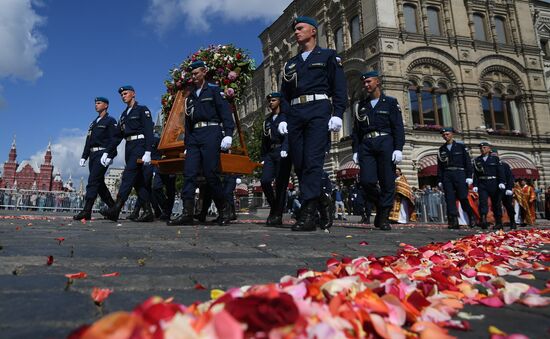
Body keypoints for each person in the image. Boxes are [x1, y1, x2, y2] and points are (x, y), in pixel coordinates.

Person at [279, 16, 347, 231]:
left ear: (313, 31)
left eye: (300, 28)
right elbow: (284, 94)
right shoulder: (291, 63)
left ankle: (308, 213)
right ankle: (323, 201)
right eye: (295, 29)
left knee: (313, 161)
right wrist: (283, 118)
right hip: (296, 112)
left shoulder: (328, 56)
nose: (296, 32)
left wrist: (338, 113)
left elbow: (339, 87)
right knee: (299, 163)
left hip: (318, 110)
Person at [167, 60, 235, 226]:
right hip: (195, 137)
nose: (194, 76)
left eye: (196, 73)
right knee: (189, 174)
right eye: (192, 74)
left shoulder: (213, 91)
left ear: (204, 72)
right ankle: (187, 213)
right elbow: (188, 125)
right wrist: (188, 145)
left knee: (210, 174)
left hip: (211, 133)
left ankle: (224, 210)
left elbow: (225, 113)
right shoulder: (189, 98)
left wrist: (228, 134)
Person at [351, 70, 405, 231]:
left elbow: (398, 127)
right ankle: (382, 205)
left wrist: (398, 148)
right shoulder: (361, 105)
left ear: (377, 82)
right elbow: (356, 130)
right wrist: (355, 150)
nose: (366, 85)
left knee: (387, 181)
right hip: (367, 144)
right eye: (364, 83)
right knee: (366, 181)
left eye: (369, 81)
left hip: (385, 142)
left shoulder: (390, 102)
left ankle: (383, 218)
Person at [100, 86, 155, 222]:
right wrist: (107, 152)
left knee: (128, 175)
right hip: (129, 146)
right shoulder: (124, 115)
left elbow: (149, 131)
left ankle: (116, 209)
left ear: (133, 94)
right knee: (138, 182)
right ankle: (148, 211)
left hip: (140, 145)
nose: (123, 96)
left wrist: (148, 151)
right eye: (121, 95)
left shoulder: (142, 109)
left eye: (125, 93)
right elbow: (117, 136)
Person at [73, 97, 117, 220]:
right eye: (95, 103)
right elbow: (89, 141)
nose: (96, 105)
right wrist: (84, 156)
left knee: (92, 180)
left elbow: (114, 139)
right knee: (99, 183)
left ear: (106, 105)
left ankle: (87, 210)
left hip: (102, 154)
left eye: (99, 103)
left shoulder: (110, 121)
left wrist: (110, 154)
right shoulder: (93, 123)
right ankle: (113, 209)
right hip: (92, 155)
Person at [260, 92, 290, 226]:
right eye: (269, 101)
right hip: (270, 153)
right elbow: (264, 141)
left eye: (273, 100)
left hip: (282, 152)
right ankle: (274, 206)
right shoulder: (267, 121)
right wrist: (263, 156)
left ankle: (277, 214)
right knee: (265, 180)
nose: (271, 103)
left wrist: (285, 148)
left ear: (279, 101)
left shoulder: (286, 117)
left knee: (281, 185)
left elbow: (289, 135)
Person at [436, 127, 475, 229]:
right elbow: (440, 166)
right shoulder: (442, 149)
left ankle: (471, 216)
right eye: (444, 135)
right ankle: (453, 221)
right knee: (449, 199)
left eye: (447, 134)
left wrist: (469, 176)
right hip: (447, 174)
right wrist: (440, 180)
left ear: (452, 134)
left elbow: (468, 162)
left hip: (460, 173)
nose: (446, 136)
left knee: (463, 197)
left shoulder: (461, 147)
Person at [472, 141, 506, 229]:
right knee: (483, 202)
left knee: (496, 203)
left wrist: (502, 182)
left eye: (484, 148)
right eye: (481, 148)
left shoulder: (495, 159)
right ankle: (483, 220)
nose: (482, 149)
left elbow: (500, 171)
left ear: (489, 149)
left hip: (493, 182)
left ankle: (498, 221)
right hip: (482, 183)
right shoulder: (477, 160)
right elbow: (476, 174)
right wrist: (475, 185)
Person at [492, 148, 516, 229]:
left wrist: (509, 188)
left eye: (495, 155)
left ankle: (513, 222)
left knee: (508, 205)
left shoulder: (504, 165)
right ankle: (498, 223)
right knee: (496, 206)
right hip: (496, 189)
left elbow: (510, 177)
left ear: (498, 155)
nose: (494, 157)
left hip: (505, 189)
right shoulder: (491, 166)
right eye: (492, 155)